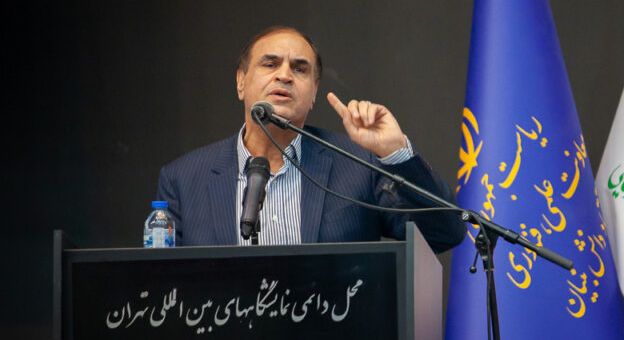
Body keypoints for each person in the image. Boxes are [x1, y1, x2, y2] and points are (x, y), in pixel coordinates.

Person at [156, 26, 465, 253]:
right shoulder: (183, 178)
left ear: (314, 92)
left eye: (299, 69)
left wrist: (394, 152)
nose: (284, 75)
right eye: (270, 64)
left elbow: (444, 233)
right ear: (241, 82)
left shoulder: (358, 166)